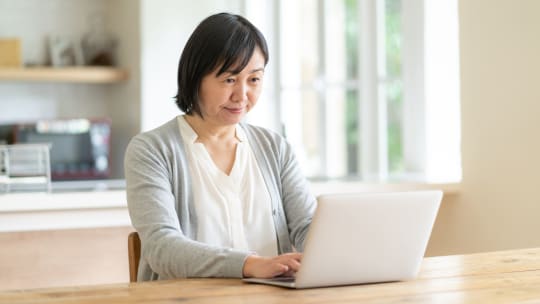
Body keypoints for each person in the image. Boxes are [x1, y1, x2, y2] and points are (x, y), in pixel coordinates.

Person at [124, 12, 316, 282]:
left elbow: (309, 229)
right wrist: (250, 265)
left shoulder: (275, 148)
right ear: (195, 77)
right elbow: (161, 248)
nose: (242, 96)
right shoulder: (151, 151)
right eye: (229, 79)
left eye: (254, 79)